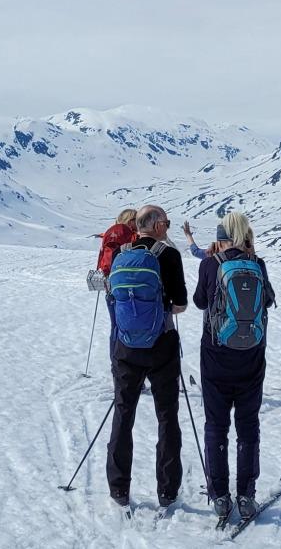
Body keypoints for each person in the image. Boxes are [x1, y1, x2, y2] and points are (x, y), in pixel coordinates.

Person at [192, 213, 276, 525]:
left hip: (215, 356)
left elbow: (200, 301)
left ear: (221, 236)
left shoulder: (210, 263)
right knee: (248, 425)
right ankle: (246, 494)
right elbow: (267, 301)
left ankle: (219, 495)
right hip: (252, 357)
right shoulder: (258, 264)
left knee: (216, 425)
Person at [105, 205, 188, 510]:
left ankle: (118, 488)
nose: (167, 226)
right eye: (166, 222)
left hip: (126, 347)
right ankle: (167, 490)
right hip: (161, 345)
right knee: (166, 417)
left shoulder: (121, 255)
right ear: (154, 226)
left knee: (123, 414)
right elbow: (180, 305)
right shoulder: (168, 255)